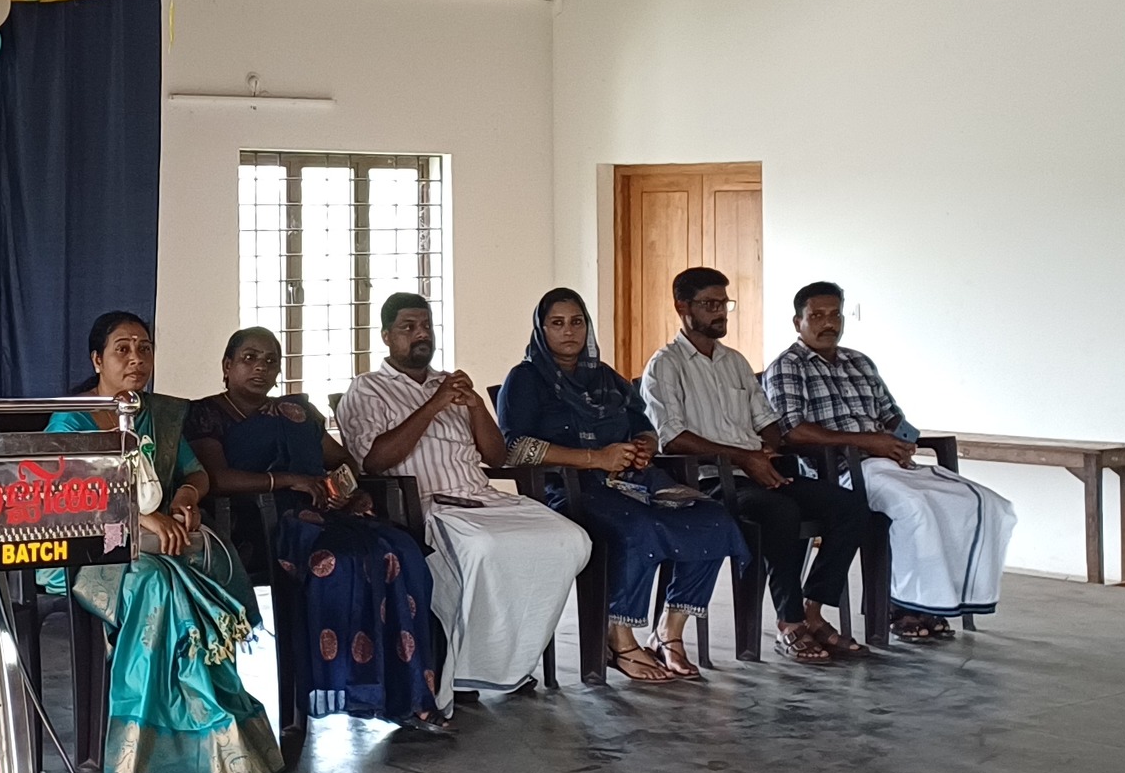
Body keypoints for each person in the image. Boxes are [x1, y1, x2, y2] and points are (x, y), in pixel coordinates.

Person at [41, 311, 286, 773]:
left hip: (161, 541)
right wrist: (137, 517)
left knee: (205, 563)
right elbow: (67, 496)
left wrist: (186, 499)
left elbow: (196, 473)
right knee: (156, 581)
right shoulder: (71, 419)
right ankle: (147, 740)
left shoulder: (162, 414)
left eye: (144, 348)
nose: (136, 358)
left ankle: (215, 717)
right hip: (92, 549)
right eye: (123, 349)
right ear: (98, 360)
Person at [188, 325, 450, 734]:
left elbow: (343, 462)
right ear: (227, 365)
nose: (260, 368)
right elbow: (216, 478)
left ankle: (409, 695)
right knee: (337, 562)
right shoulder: (207, 414)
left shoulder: (296, 414)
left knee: (401, 550)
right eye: (249, 358)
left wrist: (350, 493)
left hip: (321, 513)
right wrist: (288, 480)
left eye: (271, 361)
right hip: (257, 523)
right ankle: (345, 685)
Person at [338, 292, 591, 701]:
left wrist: (474, 407)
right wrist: (433, 405)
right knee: (484, 549)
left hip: (482, 497)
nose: (421, 334)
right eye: (408, 327)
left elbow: (497, 456)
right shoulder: (367, 389)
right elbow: (374, 460)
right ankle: (468, 671)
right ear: (386, 336)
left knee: (571, 539)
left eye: (426, 325)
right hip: (428, 505)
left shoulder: (449, 384)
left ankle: (512, 660)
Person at [496, 286, 745, 683]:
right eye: (557, 323)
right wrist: (595, 458)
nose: (569, 331)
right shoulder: (525, 379)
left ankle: (669, 631)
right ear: (541, 330)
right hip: (571, 491)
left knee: (712, 519)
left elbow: (644, 426)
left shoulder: (605, 377)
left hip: (633, 481)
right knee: (638, 528)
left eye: (577, 322)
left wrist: (643, 448)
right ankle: (620, 639)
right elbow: (515, 449)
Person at [639, 265, 880, 663]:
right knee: (779, 510)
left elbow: (767, 421)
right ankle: (789, 623)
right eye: (710, 304)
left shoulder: (734, 362)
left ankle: (813, 610)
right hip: (708, 479)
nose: (720, 312)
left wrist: (767, 448)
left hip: (758, 470)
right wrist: (743, 457)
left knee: (850, 505)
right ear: (682, 307)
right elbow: (673, 438)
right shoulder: (665, 365)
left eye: (725, 304)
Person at [765, 281, 1015, 638]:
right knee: (915, 507)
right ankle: (903, 606)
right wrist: (869, 442)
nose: (828, 323)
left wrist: (905, 440)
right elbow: (793, 432)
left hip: (887, 463)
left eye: (835, 314)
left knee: (987, 504)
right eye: (817, 315)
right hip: (838, 471)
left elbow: (892, 415)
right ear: (797, 322)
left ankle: (948, 600)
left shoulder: (859, 362)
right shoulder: (789, 366)